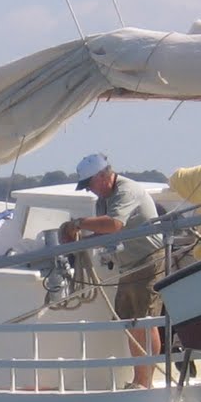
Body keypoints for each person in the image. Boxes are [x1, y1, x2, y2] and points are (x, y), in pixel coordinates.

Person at [59, 153, 163, 389]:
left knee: (145, 320)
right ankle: (140, 380)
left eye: (89, 184)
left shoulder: (126, 191)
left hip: (147, 260)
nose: (89, 190)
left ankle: (144, 382)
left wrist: (78, 224)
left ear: (102, 176)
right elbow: (105, 233)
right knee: (132, 321)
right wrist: (79, 243)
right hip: (129, 263)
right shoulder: (104, 199)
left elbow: (114, 224)